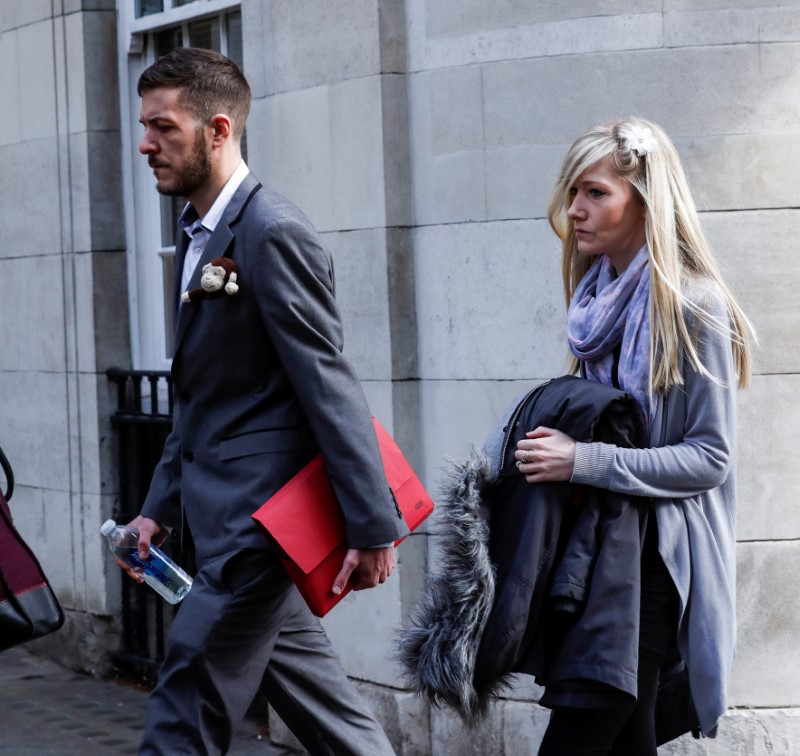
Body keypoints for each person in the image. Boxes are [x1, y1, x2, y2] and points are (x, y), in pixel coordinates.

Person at [116, 47, 405, 755]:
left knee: (185, 708)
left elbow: (327, 382)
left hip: (262, 530)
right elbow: (204, 401)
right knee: (329, 717)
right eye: (143, 126)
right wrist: (158, 507)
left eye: (163, 127)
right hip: (225, 523)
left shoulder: (271, 231)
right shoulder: (198, 236)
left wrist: (374, 527)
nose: (145, 143)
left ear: (218, 130)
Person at [513, 118, 754, 754]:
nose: (575, 211)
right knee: (626, 738)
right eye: (573, 193)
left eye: (595, 193)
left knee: (580, 735)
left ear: (645, 200)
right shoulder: (594, 300)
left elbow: (710, 457)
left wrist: (581, 459)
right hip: (601, 548)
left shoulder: (692, 305)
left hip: (656, 558)